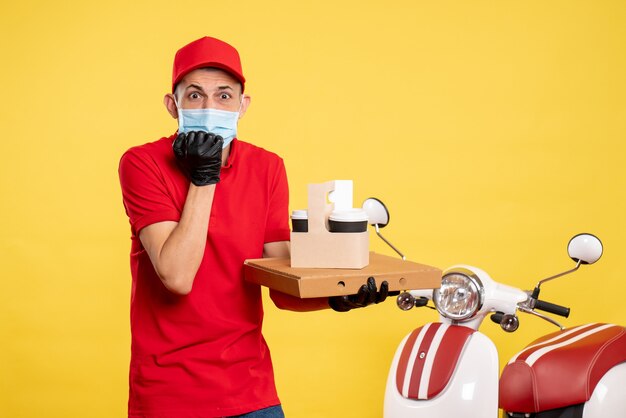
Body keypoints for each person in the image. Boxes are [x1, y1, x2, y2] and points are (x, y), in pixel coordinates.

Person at [118, 36, 389, 418]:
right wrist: (204, 177)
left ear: (243, 106)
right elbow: (177, 276)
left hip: (250, 391)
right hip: (170, 395)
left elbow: (277, 279)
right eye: (194, 95)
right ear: (171, 105)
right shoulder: (142, 163)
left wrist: (336, 296)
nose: (210, 106)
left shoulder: (267, 168)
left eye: (224, 96)